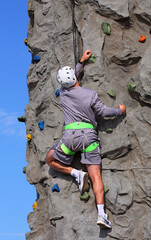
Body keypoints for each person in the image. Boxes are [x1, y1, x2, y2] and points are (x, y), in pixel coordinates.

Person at [46, 49, 126, 228]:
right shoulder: (90, 94)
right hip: (89, 137)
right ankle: (101, 215)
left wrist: (80, 62)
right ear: (75, 79)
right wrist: (119, 111)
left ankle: (75, 173)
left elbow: (71, 78)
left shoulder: (64, 93)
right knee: (96, 177)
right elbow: (104, 112)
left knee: (50, 159)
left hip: (70, 139)